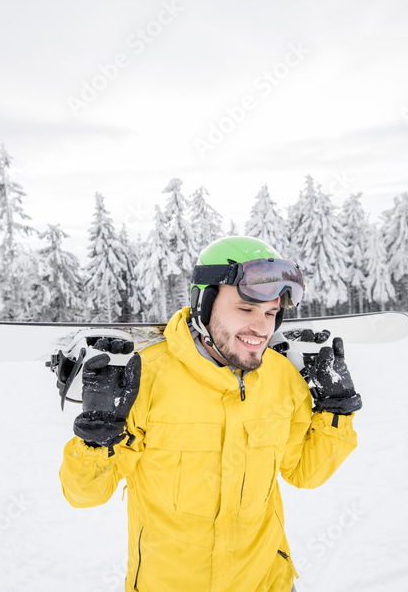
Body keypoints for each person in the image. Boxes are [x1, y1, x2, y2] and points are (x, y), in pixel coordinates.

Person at [59, 236, 362, 591]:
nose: (262, 329)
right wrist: (97, 438)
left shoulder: (281, 378)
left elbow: (305, 472)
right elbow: (84, 495)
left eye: (270, 313)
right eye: (245, 310)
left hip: (266, 581)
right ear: (204, 303)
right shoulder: (147, 379)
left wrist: (335, 412)